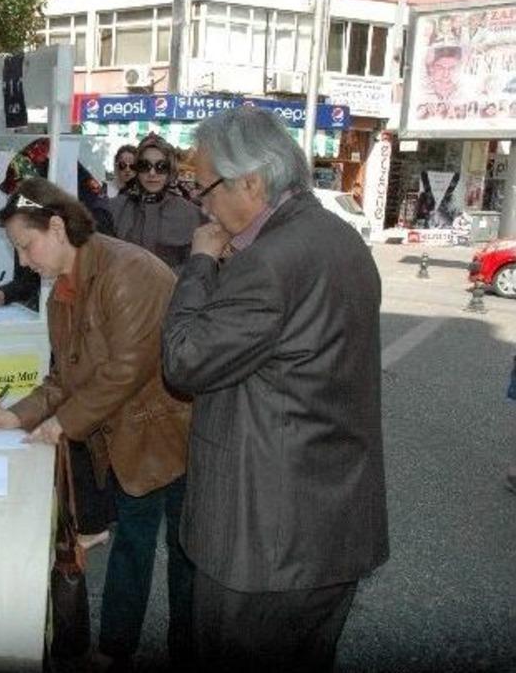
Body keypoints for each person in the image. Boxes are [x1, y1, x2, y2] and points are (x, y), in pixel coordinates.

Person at [162, 106, 389, 672]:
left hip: (263, 541)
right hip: (331, 524)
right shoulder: (338, 238)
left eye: (206, 187)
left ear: (252, 183)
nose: (202, 203)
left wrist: (200, 266)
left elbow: (185, 362)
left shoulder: (267, 262)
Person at [0, 177, 193, 670]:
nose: (25, 261)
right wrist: (17, 414)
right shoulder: (63, 293)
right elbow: (64, 376)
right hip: (126, 431)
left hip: (168, 430)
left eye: (26, 247)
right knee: (136, 542)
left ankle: (181, 648)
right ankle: (118, 648)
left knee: (184, 552)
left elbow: (128, 366)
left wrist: (62, 425)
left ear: (56, 227)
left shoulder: (126, 270)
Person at [106, 133, 206, 272]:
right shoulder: (114, 209)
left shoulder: (191, 214)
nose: (152, 173)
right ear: (137, 169)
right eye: (144, 165)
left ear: (170, 170)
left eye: (161, 166)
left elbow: (198, 269)